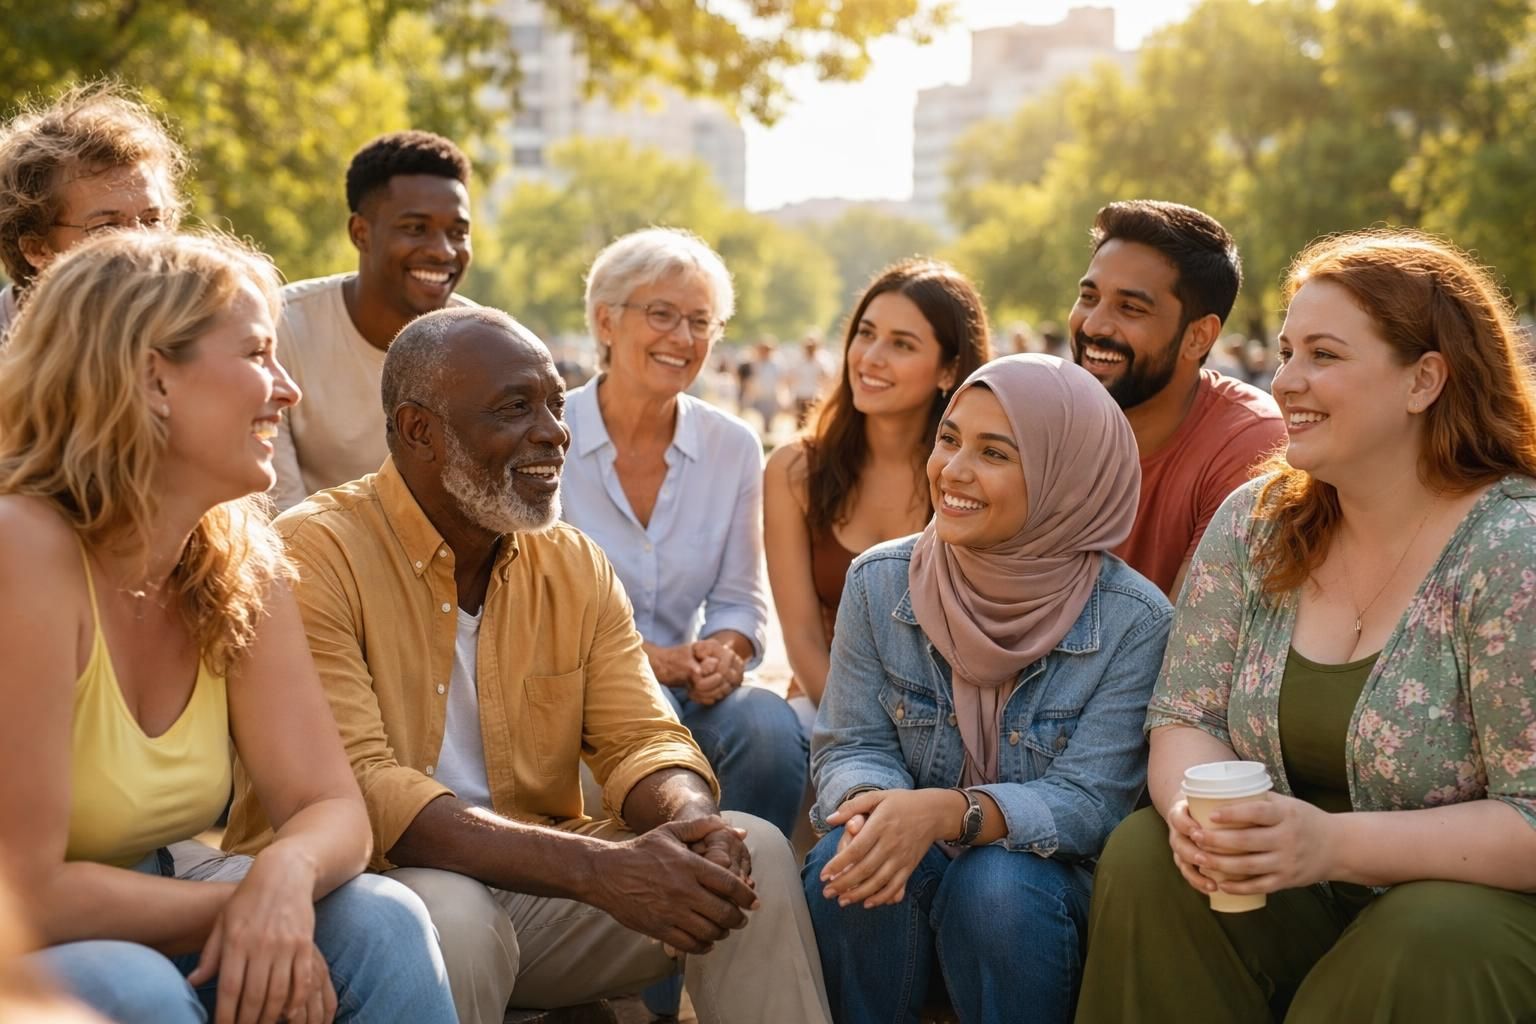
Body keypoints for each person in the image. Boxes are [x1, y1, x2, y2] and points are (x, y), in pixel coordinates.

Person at [224, 306, 833, 1024]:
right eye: (516, 409)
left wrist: (693, 829)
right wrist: (602, 869)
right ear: (420, 430)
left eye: (555, 403)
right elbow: (367, 791)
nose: (554, 432)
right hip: (373, 894)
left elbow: (643, 737)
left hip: (542, 885)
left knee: (749, 855)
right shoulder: (312, 554)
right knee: (453, 914)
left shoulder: (571, 562)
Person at [1076, 230, 1536, 1022]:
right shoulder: (1254, 524)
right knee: (1152, 855)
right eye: (1286, 352)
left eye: (1323, 355)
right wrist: (1201, 821)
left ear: (1424, 379)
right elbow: (1184, 714)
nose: (1284, 381)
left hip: (1471, 919)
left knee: (1429, 931)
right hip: (1294, 895)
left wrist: (1329, 844)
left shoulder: (1511, 550)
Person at [0, 231, 455, 1024]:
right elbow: (25, 890)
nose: (289, 391)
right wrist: (246, 909)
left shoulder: (236, 556)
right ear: (151, 378)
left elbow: (332, 809)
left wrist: (281, 877)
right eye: (256, 354)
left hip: (145, 903)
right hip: (26, 934)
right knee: (135, 991)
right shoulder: (23, 545)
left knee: (381, 920)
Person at [805, 355, 1172, 1023]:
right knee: (847, 858)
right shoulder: (879, 581)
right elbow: (850, 741)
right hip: (913, 866)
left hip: (1044, 890)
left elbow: (1091, 803)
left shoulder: (1133, 621)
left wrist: (951, 812)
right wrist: (870, 808)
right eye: (949, 439)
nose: (954, 470)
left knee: (995, 884)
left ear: (1068, 475)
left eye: (994, 453)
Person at [561, 228, 809, 1020]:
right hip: (576, 696)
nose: (684, 339)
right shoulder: (548, 433)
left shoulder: (732, 445)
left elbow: (741, 595)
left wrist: (729, 652)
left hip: (688, 692)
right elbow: (533, 610)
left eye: (702, 322)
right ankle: (653, 977)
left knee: (770, 727)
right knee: (664, 722)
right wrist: (661, 664)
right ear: (606, 321)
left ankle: (725, 941)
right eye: (661, 315)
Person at [765, 258, 993, 735]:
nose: (870, 357)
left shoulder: (977, 478)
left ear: (949, 369)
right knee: (765, 729)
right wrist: (867, 742)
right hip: (825, 708)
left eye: (902, 344)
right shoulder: (794, 469)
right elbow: (803, 637)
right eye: (865, 334)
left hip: (954, 728)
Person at [1070, 199, 1285, 597]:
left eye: (1130, 308)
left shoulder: (1251, 443)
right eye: (1088, 297)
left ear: (1198, 336)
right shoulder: (1050, 420)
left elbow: (1187, 643)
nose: (1094, 324)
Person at [269, 130, 475, 510]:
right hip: (306, 560)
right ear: (360, 233)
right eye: (415, 228)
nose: (443, 251)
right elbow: (277, 509)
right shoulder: (280, 327)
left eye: (458, 233)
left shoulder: (483, 346)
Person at [0, 81, 187, 337]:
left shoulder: (193, 339)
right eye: (107, 226)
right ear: (36, 249)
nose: (142, 244)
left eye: (152, 220)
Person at [787, 331, 838, 427]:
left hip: (815, 396)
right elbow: (791, 377)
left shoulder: (823, 359)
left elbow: (828, 377)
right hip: (801, 395)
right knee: (799, 423)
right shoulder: (798, 359)